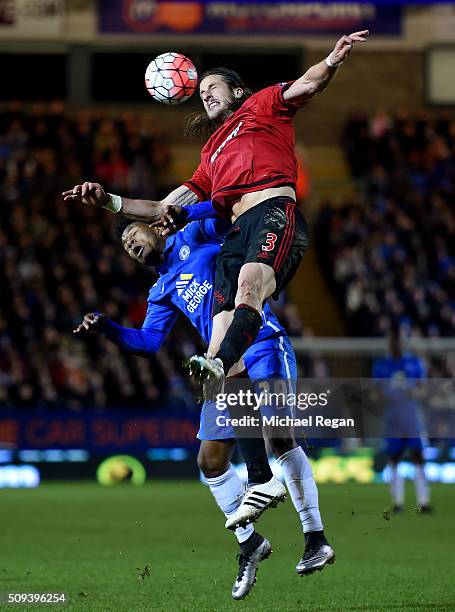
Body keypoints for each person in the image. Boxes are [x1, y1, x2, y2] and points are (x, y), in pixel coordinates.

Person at [62, 30, 370, 404]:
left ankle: (223, 366)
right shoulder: (210, 155)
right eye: (201, 89)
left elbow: (308, 83)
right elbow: (163, 208)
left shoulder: (261, 105)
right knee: (224, 316)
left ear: (238, 92)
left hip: (272, 211)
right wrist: (108, 200)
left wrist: (333, 60)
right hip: (240, 230)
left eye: (212, 87)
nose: (204, 93)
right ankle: (223, 373)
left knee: (250, 287)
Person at [74, 216, 334, 598]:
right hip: (221, 365)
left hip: (261, 342)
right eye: (126, 245)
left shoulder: (192, 235)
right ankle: (250, 545)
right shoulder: (161, 289)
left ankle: (315, 538)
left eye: (133, 234)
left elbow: (230, 214)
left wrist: (179, 209)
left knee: (279, 436)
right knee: (210, 461)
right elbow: (148, 342)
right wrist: (108, 328)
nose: (130, 245)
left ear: (155, 228)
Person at [372, 327, 432, 513]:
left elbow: (424, 390)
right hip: (393, 417)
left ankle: (423, 502)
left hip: (410, 415)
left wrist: (414, 392)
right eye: (394, 340)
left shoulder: (414, 363)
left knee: (418, 457)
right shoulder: (381, 366)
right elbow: (375, 395)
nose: (397, 344)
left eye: (399, 340)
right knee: (394, 458)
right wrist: (384, 395)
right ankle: (398, 502)